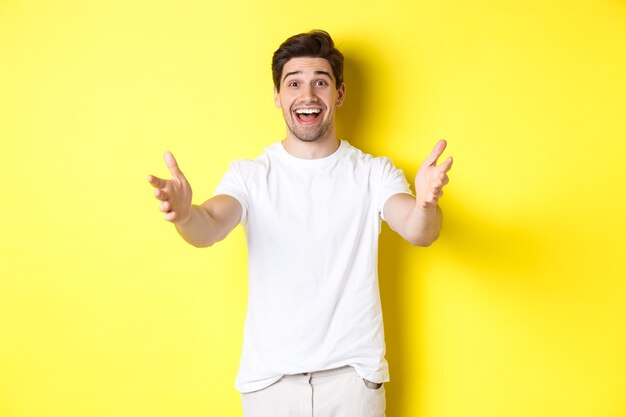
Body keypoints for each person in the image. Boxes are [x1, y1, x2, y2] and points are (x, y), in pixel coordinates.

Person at [147, 30, 452, 417]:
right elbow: (209, 226)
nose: (307, 95)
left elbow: (418, 230)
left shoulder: (374, 173)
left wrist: (425, 204)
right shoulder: (250, 176)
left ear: (339, 94)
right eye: (294, 83)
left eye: (320, 83)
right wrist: (186, 214)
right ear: (278, 96)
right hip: (270, 386)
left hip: (353, 385)